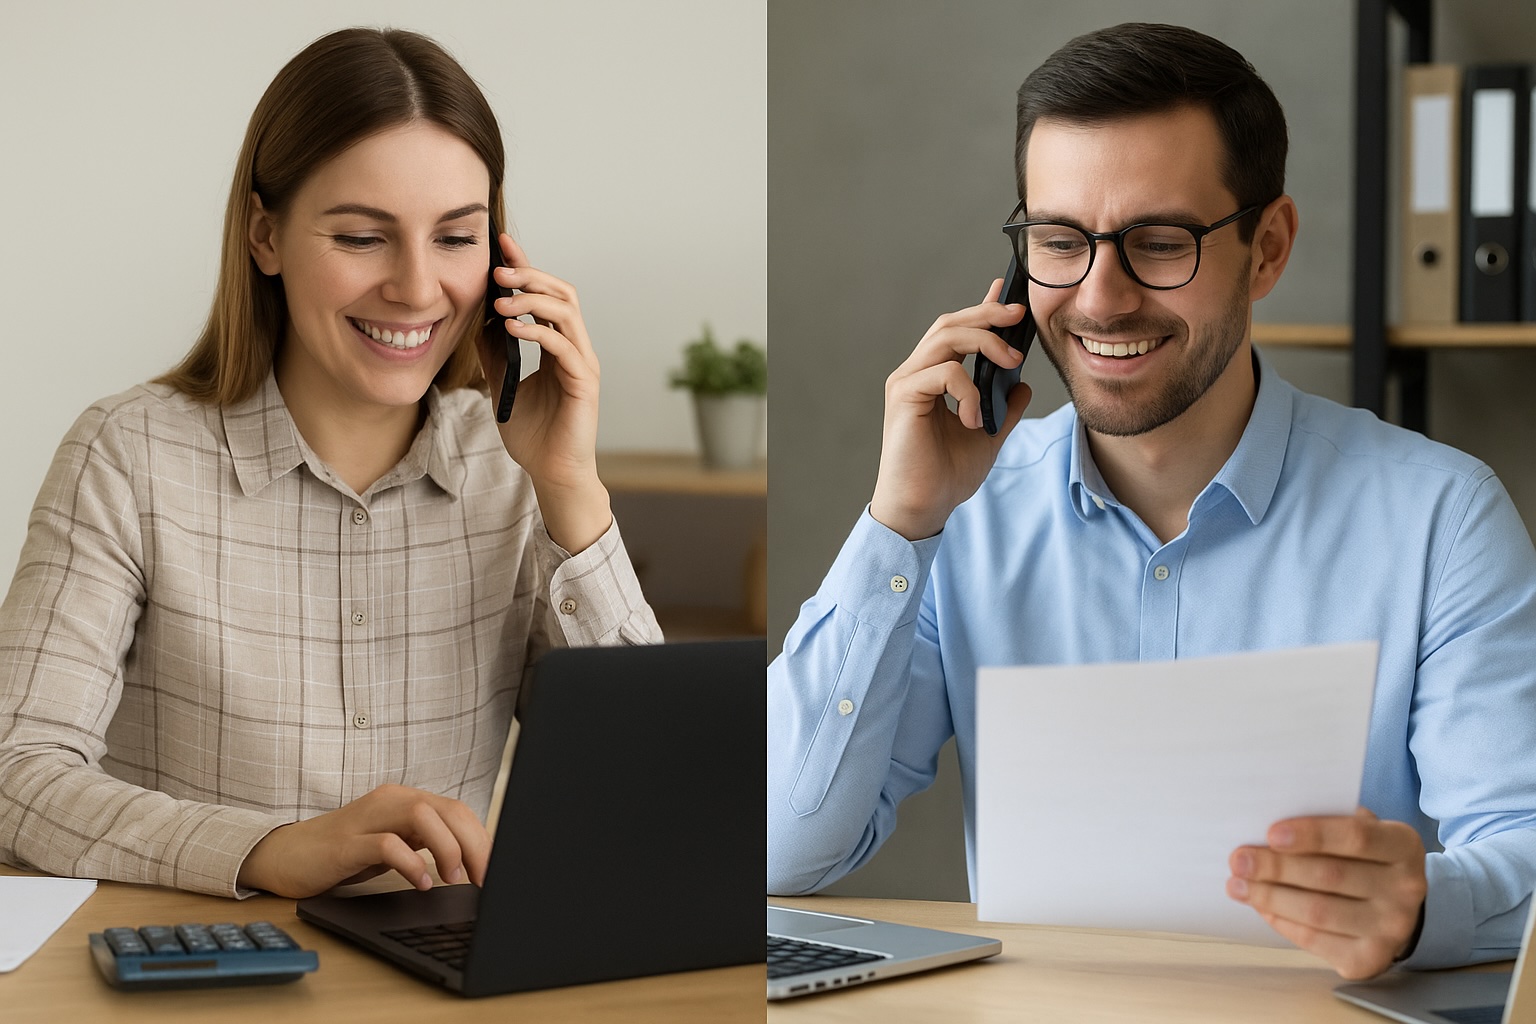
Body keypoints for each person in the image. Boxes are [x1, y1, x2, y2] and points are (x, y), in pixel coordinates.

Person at [766, 22, 1536, 981]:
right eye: (1060, 241)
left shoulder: (1442, 520)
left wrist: (1425, 905)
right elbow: (780, 852)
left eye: (1159, 243)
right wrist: (900, 523)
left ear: (1268, 249)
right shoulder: (961, 520)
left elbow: (1526, 853)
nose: (1099, 299)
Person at [0, 27, 661, 900]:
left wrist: (571, 488)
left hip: (442, 981)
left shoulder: (517, 473)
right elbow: (18, 775)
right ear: (265, 237)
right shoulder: (128, 455)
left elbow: (646, 797)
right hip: (199, 974)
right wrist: (268, 849)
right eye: (362, 238)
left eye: (456, 238)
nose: (419, 289)